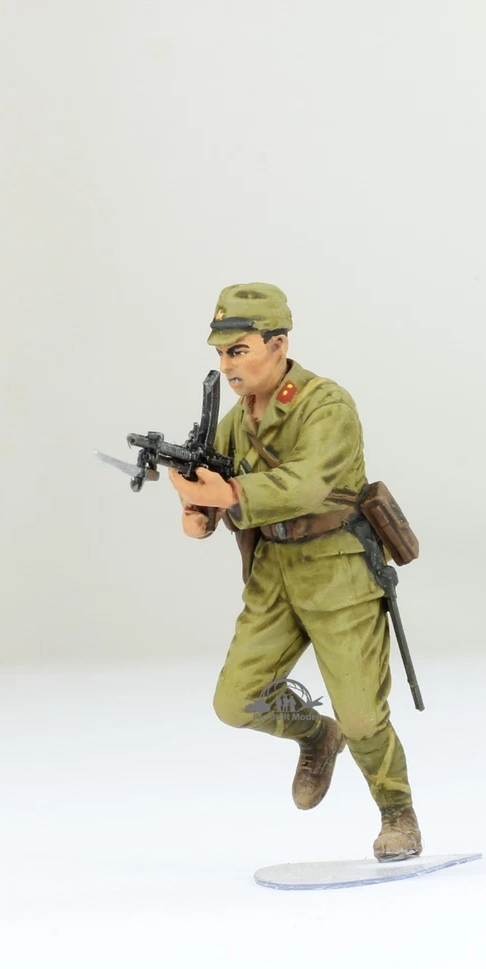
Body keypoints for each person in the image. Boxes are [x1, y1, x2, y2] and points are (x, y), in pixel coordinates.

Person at [166, 282, 422, 861]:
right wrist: (197, 510)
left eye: (239, 350)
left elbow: (309, 484)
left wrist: (231, 493)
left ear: (277, 345)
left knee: (362, 714)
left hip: (337, 572)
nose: (228, 365)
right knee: (237, 701)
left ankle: (397, 812)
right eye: (222, 353)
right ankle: (315, 734)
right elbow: (215, 502)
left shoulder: (325, 405)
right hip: (273, 574)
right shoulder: (234, 423)